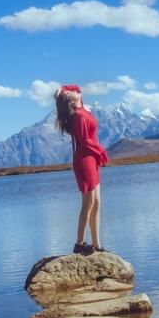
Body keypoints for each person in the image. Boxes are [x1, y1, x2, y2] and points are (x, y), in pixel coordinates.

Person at [53, 84, 109, 255]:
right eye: (75, 92)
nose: (78, 92)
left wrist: (60, 96)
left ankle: (96, 244)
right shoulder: (78, 116)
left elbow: (70, 93)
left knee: (97, 202)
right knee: (88, 203)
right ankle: (79, 243)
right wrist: (101, 151)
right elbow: (85, 142)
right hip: (85, 160)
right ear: (71, 100)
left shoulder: (81, 110)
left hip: (90, 158)